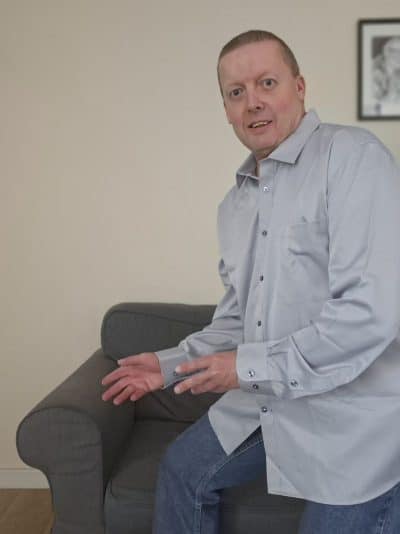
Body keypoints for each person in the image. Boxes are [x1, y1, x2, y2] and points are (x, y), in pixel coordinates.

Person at [101, 30, 400, 533]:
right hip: (272, 400)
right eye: (236, 92)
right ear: (226, 109)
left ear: (299, 87)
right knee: (181, 471)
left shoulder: (354, 158)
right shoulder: (235, 205)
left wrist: (245, 367)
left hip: (355, 419)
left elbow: (369, 315)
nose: (253, 101)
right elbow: (239, 320)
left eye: (267, 82)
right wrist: (170, 364)